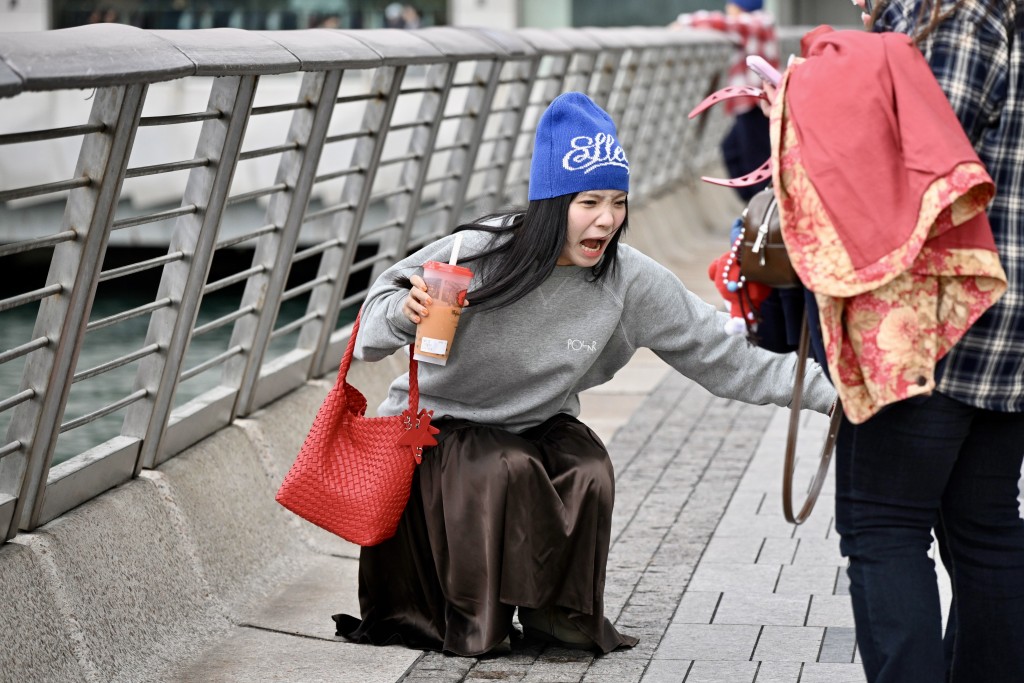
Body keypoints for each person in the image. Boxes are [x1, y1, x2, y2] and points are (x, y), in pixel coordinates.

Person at [332, 91, 837, 657]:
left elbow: (722, 349)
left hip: (538, 423)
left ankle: (559, 616)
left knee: (588, 466)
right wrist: (405, 315)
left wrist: (837, 394)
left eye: (618, 202)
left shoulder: (627, 279)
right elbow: (368, 333)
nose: (607, 219)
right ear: (551, 204)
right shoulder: (480, 252)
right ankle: (476, 618)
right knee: (506, 466)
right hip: (440, 431)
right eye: (589, 201)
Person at [819, 2, 1024, 681]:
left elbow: (914, 160)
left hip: (936, 319)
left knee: (883, 527)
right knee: (987, 528)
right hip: (1006, 329)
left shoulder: (961, 13)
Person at [670, 0, 778, 201]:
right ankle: (757, 208)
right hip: (752, 104)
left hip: (757, 104)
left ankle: (764, 211)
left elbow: (724, 23)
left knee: (756, 163)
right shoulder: (756, 24)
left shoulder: (757, 23)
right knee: (733, 151)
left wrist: (685, 22)